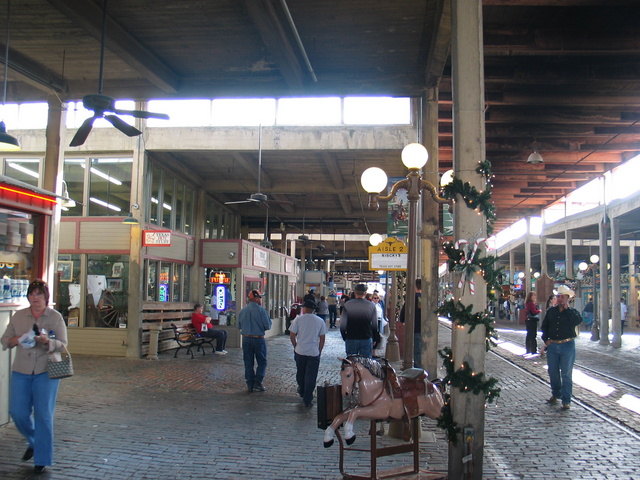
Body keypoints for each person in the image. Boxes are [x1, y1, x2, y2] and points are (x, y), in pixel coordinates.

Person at [1, 280, 68, 474]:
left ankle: (42, 459)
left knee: (43, 415)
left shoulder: (55, 317)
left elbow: (63, 344)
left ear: (46, 297)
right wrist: (18, 339)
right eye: (32, 294)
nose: (35, 298)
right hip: (21, 370)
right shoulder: (19, 316)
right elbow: (5, 340)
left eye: (39, 294)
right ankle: (34, 441)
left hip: (46, 371)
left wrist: (48, 341)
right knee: (18, 412)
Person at [540, 285, 582, 410]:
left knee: (566, 373)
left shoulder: (572, 312)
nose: (560, 299)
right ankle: (555, 393)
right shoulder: (551, 311)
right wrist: (546, 340)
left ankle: (566, 399)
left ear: (567, 298)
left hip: (567, 344)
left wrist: (567, 309)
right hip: (553, 345)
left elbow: (577, 321)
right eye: (558, 296)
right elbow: (545, 326)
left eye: (562, 297)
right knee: (552, 372)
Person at [289, 299, 328, 407]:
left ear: (305, 309)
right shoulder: (320, 321)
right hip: (313, 352)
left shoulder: (298, 319)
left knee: (300, 374)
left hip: (300, 351)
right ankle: (308, 398)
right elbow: (322, 338)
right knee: (311, 376)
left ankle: (302, 390)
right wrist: (319, 350)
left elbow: (292, 335)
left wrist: (295, 346)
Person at [237, 290, 272, 393]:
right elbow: (268, 325)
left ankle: (250, 384)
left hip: (246, 338)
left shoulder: (242, 311)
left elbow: (238, 326)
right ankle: (258, 382)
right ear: (256, 298)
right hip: (258, 338)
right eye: (259, 298)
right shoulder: (262, 311)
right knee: (262, 361)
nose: (261, 300)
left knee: (248, 362)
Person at [339, 284, 379, 358]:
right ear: (365, 293)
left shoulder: (347, 305)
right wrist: (375, 338)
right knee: (366, 363)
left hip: (351, 337)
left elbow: (342, 325)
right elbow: (375, 325)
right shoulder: (371, 305)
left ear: (355, 293)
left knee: (351, 363)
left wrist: (345, 337)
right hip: (366, 337)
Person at [399, 278, 422, 368]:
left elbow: (405, 311)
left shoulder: (412, 297)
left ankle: (417, 368)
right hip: (424, 327)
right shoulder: (426, 297)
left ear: (415, 286)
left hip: (414, 327)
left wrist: (402, 320)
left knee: (416, 349)